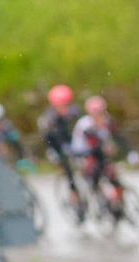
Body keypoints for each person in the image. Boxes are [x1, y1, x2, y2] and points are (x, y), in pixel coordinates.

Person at [70, 95, 127, 210]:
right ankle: (98, 199)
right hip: (83, 152)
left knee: (112, 175)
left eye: (102, 112)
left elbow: (118, 137)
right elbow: (88, 145)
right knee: (94, 174)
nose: (100, 115)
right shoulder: (84, 125)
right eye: (97, 113)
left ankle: (117, 202)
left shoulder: (108, 121)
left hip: (98, 151)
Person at [38, 85, 84, 221]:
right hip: (56, 147)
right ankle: (75, 198)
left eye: (67, 105)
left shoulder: (75, 112)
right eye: (61, 106)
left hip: (72, 143)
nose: (64, 108)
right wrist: (55, 153)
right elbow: (48, 140)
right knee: (69, 171)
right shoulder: (48, 119)